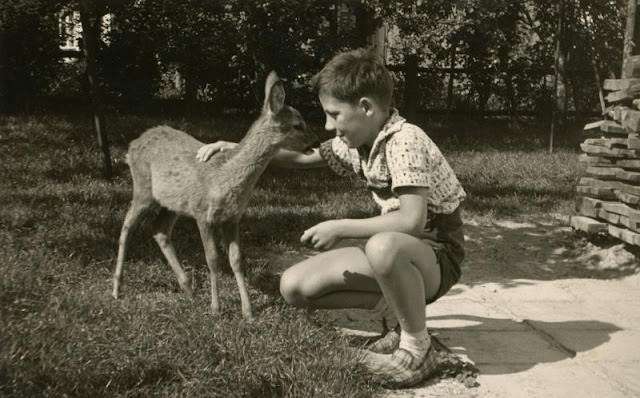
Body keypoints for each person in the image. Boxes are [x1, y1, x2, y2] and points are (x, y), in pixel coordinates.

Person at [196, 48, 466, 388]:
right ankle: (399, 316)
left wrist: (339, 227)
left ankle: (418, 348)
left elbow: (411, 221)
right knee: (294, 287)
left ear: (366, 108)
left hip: (436, 257)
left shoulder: (404, 140)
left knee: (381, 246)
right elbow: (303, 157)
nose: (328, 126)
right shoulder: (359, 140)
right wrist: (237, 148)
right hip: (400, 256)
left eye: (334, 115)